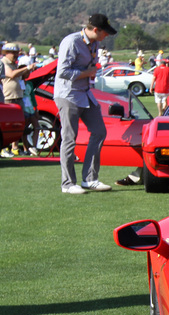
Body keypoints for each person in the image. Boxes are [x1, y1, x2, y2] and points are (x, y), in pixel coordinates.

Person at [55, 13, 118, 194]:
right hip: (68, 95)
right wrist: (87, 72)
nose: (106, 37)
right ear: (96, 30)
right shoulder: (71, 42)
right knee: (69, 138)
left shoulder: (95, 43)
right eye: (104, 33)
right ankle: (67, 184)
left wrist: (90, 72)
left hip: (85, 93)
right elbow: (63, 72)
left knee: (99, 131)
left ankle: (90, 179)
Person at [0, 44, 35, 157]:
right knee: (7, 123)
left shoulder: (14, 64)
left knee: (17, 124)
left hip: (18, 97)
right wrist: (27, 68)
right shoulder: (4, 63)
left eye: (17, 53)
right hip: (8, 97)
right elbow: (11, 75)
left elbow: (20, 77)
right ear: (7, 52)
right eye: (14, 53)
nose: (16, 55)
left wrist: (27, 71)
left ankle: (15, 147)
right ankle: (5, 148)